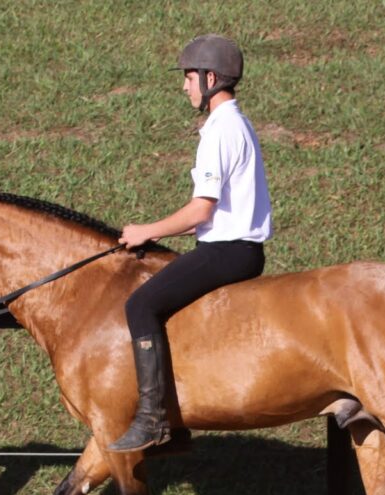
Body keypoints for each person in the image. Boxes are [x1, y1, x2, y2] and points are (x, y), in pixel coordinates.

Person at [108, 34, 273, 452]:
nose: (184, 86)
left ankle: (153, 420)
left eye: (188, 77)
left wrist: (148, 230)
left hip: (227, 251)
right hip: (232, 249)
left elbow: (201, 211)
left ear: (210, 77)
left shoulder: (220, 130)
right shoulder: (238, 122)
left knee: (140, 305)